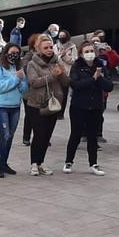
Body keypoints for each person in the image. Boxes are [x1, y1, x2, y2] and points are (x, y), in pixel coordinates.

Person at [63, 42, 113, 176]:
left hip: (95, 106)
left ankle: (93, 163)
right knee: (76, 134)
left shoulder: (100, 65)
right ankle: (69, 161)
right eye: (86, 51)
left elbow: (109, 86)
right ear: (81, 54)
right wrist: (93, 78)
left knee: (92, 136)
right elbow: (76, 85)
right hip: (79, 106)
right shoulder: (77, 66)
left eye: (91, 51)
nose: (90, 53)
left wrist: (100, 77)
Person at [24, 36, 70, 176]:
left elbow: (66, 82)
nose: (49, 50)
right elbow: (33, 82)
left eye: (51, 47)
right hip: (37, 104)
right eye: (46, 48)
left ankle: (41, 162)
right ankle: (33, 163)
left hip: (53, 103)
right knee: (39, 134)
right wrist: (51, 76)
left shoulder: (57, 62)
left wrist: (61, 73)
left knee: (47, 136)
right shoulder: (33, 64)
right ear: (39, 49)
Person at [0, 43, 28, 178]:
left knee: (10, 136)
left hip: (15, 106)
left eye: (17, 53)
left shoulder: (18, 67)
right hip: (1, 106)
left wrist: (21, 80)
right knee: (5, 135)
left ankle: (5, 163)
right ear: (6, 52)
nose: (14, 55)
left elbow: (24, 88)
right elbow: (0, 87)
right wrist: (15, 79)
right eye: (12, 52)